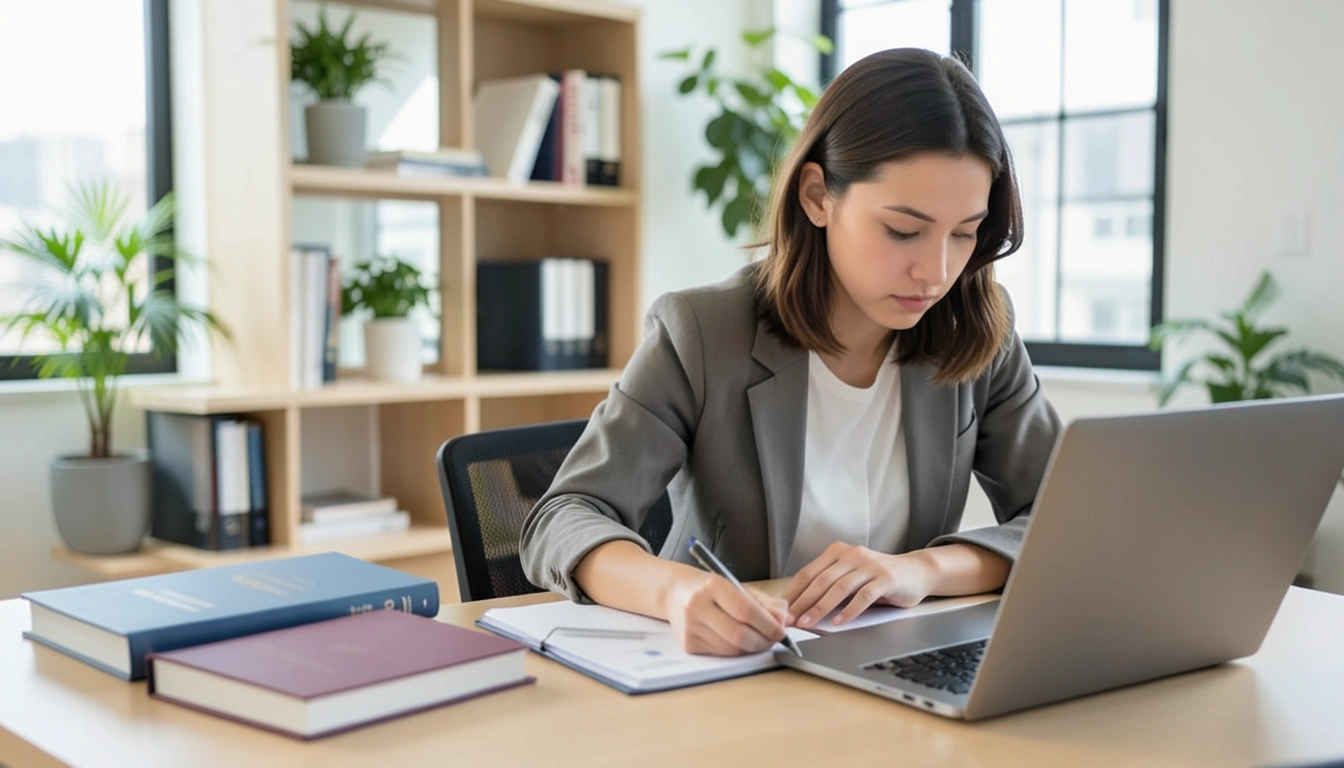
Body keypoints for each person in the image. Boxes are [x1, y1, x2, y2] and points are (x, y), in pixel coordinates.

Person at [520, 47, 1062, 657]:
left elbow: (1064, 518)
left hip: (890, 663)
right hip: (732, 674)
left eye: (964, 234)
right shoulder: (703, 332)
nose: (935, 273)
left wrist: (923, 571)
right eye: (903, 230)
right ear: (817, 196)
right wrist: (675, 593)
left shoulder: (977, 328)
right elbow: (563, 515)